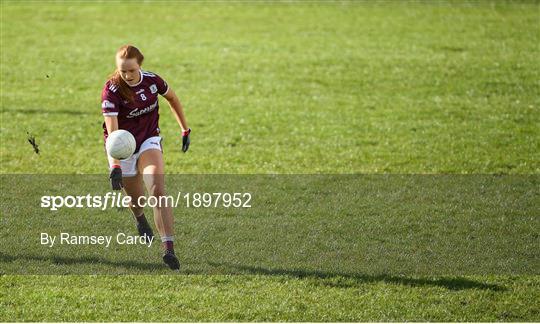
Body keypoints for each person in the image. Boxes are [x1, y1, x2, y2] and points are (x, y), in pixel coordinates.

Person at [101, 44, 190, 270]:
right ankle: (140, 220)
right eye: (123, 71)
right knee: (136, 200)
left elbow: (173, 99)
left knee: (158, 190)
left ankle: (168, 249)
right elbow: (114, 136)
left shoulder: (152, 81)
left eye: (131, 70)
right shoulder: (112, 90)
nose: (128, 75)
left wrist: (184, 129)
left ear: (140, 65)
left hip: (149, 140)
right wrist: (115, 166)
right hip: (123, 148)